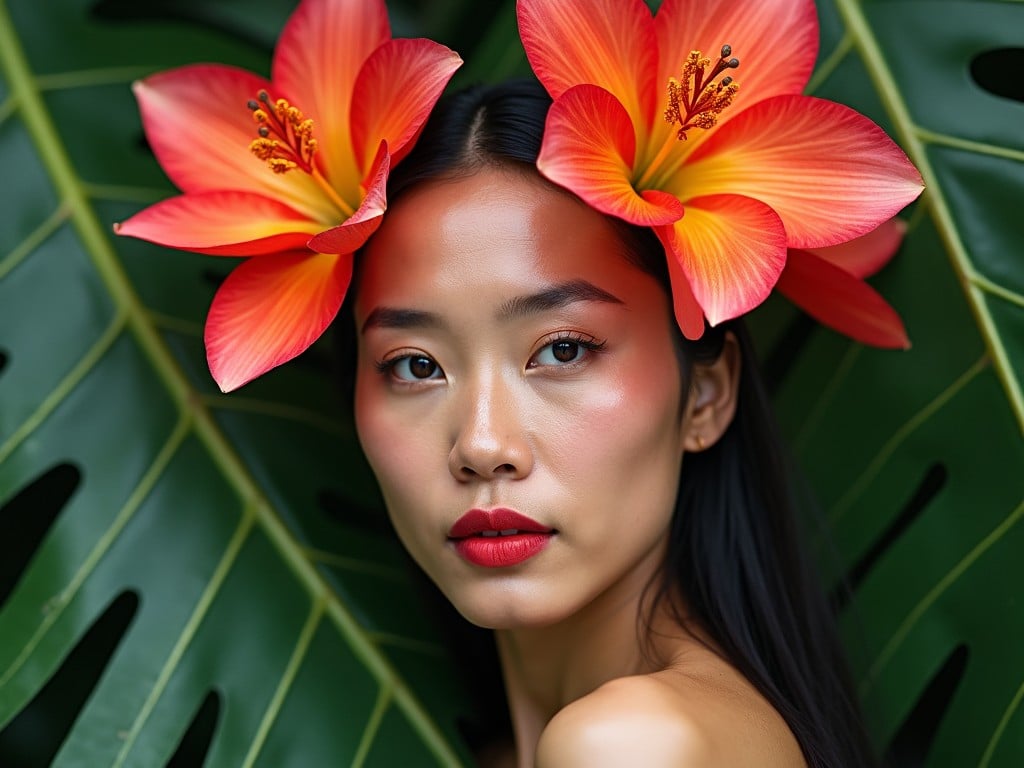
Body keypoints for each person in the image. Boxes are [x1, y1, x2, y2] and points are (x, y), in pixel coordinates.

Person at [339, 79, 880, 768]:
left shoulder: (630, 745)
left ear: (706, 394)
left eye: (563, 350)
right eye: (415, 366)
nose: (481, 446)